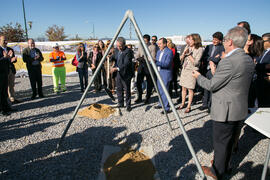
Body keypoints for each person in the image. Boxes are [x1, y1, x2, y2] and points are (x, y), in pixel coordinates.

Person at [192, 26, 255, 179]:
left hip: (225, 110)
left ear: (230, 42)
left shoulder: (229, 62)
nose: (224, 42)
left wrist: (198, 76)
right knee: (230, 142)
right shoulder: (247, 58)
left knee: (221, 144)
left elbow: (212, 85)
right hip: (238, 108)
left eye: (226, 39)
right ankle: (225, 166)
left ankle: (217, 172)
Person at [199, 32, 225, 111]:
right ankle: (205, 104)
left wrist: (210, 58)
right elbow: (204, 57)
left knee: (212, 89)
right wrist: (212, 58)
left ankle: (211, 106)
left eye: (216, 40)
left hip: (214, 70)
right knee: (205, 87)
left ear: (220, 40)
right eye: (213, 39)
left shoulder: (222, 48)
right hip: (206, 70)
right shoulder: (208, 47)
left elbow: (218, 59)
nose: (214, 41)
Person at [179, 33, 204, 113]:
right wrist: (183, 54)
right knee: (183, 88)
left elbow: (196, 63)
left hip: (192, 71)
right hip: (185, 69)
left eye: (190, 39)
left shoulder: (199, 49)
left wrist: (189, 55)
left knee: (190, 89)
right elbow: (181, 59)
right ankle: (182, 103)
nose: (188, 41)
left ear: (195, 40)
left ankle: (189, 106)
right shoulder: (187, 47)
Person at [110, 37, 133, 112]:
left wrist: (117, 68)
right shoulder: (117, 50)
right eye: (117, 46)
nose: (118, 48)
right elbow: (115, 57)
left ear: (124, 45)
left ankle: (128, 105)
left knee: (127, 89)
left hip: (126, 73)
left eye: (120, 46)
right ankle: (120, 103)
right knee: (119, 88)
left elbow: (126, 63)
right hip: (119, 74)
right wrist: (110, 57)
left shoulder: (128, 51)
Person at [135, 34, 157, 104]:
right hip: (141, 65)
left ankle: (147, 97)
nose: (144, 42)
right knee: (138, 82)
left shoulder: (152, 47)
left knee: (149, 82)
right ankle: (139, 97)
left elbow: (152, 57)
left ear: (148, 40)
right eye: (143, 40)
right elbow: (137, 54)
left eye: (145, 41)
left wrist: (145, 59)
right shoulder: (140, 45)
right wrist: (138, 58)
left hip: (149, 66)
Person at [154, 38, 173, 114]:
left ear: (165, 44)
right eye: (158, 44)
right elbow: (157, 62)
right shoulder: (158, 52)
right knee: (159, 89)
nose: (158, 45)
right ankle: (160, 103)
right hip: (159, 72)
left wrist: (156, 61)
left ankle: (166, 108)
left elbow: (167, 64)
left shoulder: (169, 52)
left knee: (165, 90)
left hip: (165, 73)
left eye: (160, 44)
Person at [0, 35, 17, 116]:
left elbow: (9, 60)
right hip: (0, 73)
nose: (6, 41)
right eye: (4, 40)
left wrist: (11, 59)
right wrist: (4, 57)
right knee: (0, 92)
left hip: (6, 73)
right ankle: (1, 110)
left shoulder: (9, 49)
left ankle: (7, 107)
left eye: (6, 40)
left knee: (4, 92)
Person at [255, 33, 270, 107]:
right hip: (260, 82)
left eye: (263, 41)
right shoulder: (263, 52)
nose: (261, 43)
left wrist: (257, 65)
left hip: (267, 84)